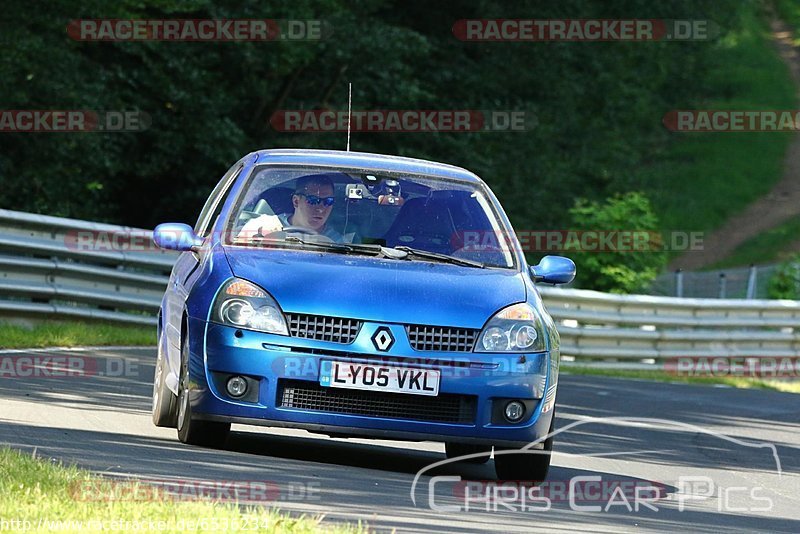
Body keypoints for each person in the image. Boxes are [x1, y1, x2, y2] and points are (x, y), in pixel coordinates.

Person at [239, 174, 343, 242]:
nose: (321, 209)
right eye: (313, 200)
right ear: (296, 201)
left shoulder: (337, 242)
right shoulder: (264, 224)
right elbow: (236, 254)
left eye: (328, 201)